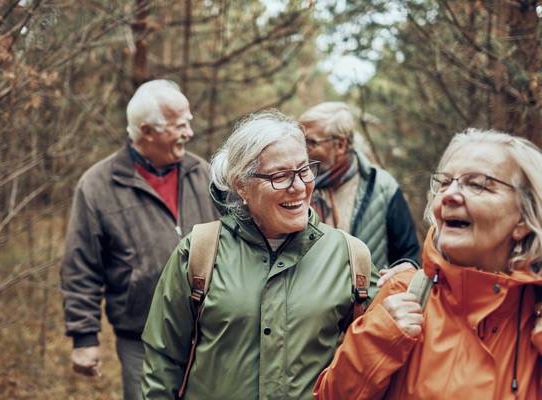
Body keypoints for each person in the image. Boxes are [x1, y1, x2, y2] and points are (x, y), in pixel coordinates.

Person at [140, 110, 382, 399]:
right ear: (242, 185)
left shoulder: (350, 256)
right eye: (280, 176)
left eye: (304, 170)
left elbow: (381, 349)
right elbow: (163, 361)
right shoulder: (200, 252)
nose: (298, 187)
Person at [314, 129, 542, 399]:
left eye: (477, 184)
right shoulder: (402, 294)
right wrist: (376, 342)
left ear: (522, 218)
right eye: (444, 183)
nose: (449, 195)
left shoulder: (535, 310)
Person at [60, 79, 219, 400]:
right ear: (147, 131)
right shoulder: (98, 185)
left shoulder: (203, 173)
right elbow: (81, 265)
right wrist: (84, 337)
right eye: (179, 125)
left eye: (189, 121)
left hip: (212, 331)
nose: (189, 132)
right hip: (141, 336)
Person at [299, 102, 420, 268]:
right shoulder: (296, 184)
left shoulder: (383, 187)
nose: (302, 149)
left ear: (340, 145)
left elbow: (408, 257)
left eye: (311, 142)